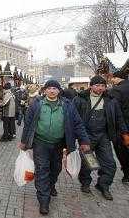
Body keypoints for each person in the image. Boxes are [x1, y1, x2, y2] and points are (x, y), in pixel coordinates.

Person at [19, 80, 90, 215]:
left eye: (55, 88)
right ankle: (44, 201)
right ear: (45, 90)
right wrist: (24, 142)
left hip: (59, 144)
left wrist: (84, 140)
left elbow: (78, 124)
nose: (52, 91)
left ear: (59, 90)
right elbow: (28, 124)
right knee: (41, 171)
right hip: (40, 144)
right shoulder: (36, 104)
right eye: (49, 88)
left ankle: (51, 186)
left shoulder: (67, 105)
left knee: (55, 169)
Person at [73, 75, 127, 200]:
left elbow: (119, 118)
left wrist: (125, 133)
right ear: (91, 86)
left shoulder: (111, 100)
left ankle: (103, 185)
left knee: (110, 163)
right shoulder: (80, 99)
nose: (100, 88)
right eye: (97, 85)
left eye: (103, 85)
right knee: (88, 162)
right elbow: (73, 118)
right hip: (86, 136)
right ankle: (85, 183)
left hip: (103, 136)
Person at [109, 70, 129, 184]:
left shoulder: (116, 90)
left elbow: (113, 110)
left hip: (122, 127)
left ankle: (127, 173)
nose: (111, 80)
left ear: (117, 78)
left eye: (112, 78)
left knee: (122, 150)